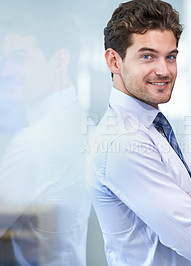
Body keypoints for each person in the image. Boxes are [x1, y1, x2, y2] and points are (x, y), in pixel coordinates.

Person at [86, 0, 191, 265]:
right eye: (147, 56)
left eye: (171, 56)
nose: (164, 70)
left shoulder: (152, 127)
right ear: (114, 61)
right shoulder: (125, 142)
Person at [0, 3, 91, 265]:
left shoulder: (34, 142)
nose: (6, 72)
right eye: (6, 61)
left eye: (20, 58)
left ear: (60, 61)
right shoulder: (80, 122)